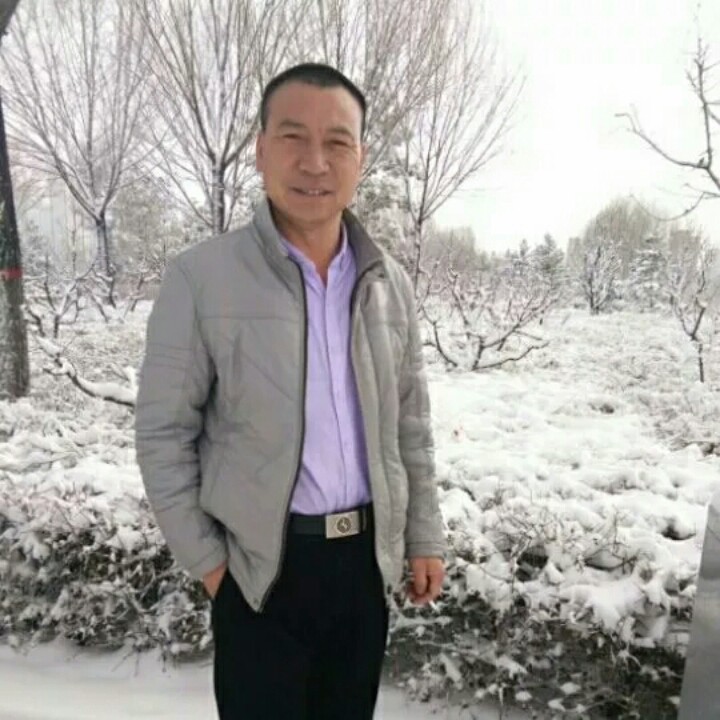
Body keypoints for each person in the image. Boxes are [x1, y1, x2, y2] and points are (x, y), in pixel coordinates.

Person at [135, 62, 446, 720]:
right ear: (260, 148)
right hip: (259, 575)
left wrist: (423, 537)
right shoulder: (202, 278)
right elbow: (163, 433)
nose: (314, 162)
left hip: (363, 571)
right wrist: (212, 567)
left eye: (337, 142)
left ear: (361, 157)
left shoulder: (388, 283)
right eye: (293, 137)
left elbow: (410, 428)